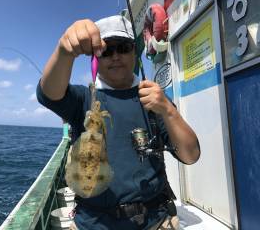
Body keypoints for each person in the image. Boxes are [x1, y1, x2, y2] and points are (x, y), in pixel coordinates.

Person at [37, 15, 200, 230]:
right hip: (92, 223)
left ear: (135, 52)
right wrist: (64, 51)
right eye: (106, 50)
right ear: (96, 57)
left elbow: (190, 155)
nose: (115, 56)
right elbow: (49, 94)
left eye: (123, 47)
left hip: (155, 221)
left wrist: (169, 111)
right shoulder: (84, 98)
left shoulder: (154, 99)